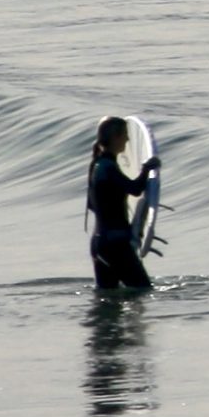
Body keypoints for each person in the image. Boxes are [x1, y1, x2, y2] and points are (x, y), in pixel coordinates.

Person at [87, 117, 158, 293]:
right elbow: (135, 189)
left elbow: (92, 205)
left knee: (107, 299)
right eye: (125, 135)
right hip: (116, 246)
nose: (127, 140)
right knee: (143, 291)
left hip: (99, 244)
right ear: (115, 138)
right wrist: (148, 168)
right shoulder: (109, 167)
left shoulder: (96, 166)